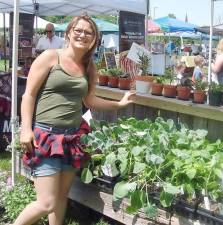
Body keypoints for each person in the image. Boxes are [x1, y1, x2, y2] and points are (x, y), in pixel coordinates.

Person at [14, 14, 134, 225]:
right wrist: (26, 129)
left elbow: (89, 100)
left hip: (72, 139)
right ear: (68, 32)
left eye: (89, 33)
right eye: (78, 30)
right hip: (46, 137)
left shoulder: (88, 68)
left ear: (94, 39)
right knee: (46, 203)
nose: (82, 35)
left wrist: (118, 104)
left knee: (61, 197)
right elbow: (29, 95)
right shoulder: (51, 57)